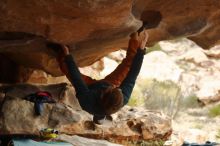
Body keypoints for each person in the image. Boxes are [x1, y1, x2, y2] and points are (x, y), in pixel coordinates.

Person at [48, 30, 148, 124]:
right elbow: (133, 74)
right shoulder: (122, 98)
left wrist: (67, 55)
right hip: (110, 82)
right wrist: (142, 50)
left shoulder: (87, 102)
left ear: (102, 95)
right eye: (117, 89)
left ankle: (61, 51)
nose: (116, 88)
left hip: (89, 86)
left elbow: (76, 78)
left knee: (66, 67)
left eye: (112, 89)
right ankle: (135, 36)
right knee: (129, 64)